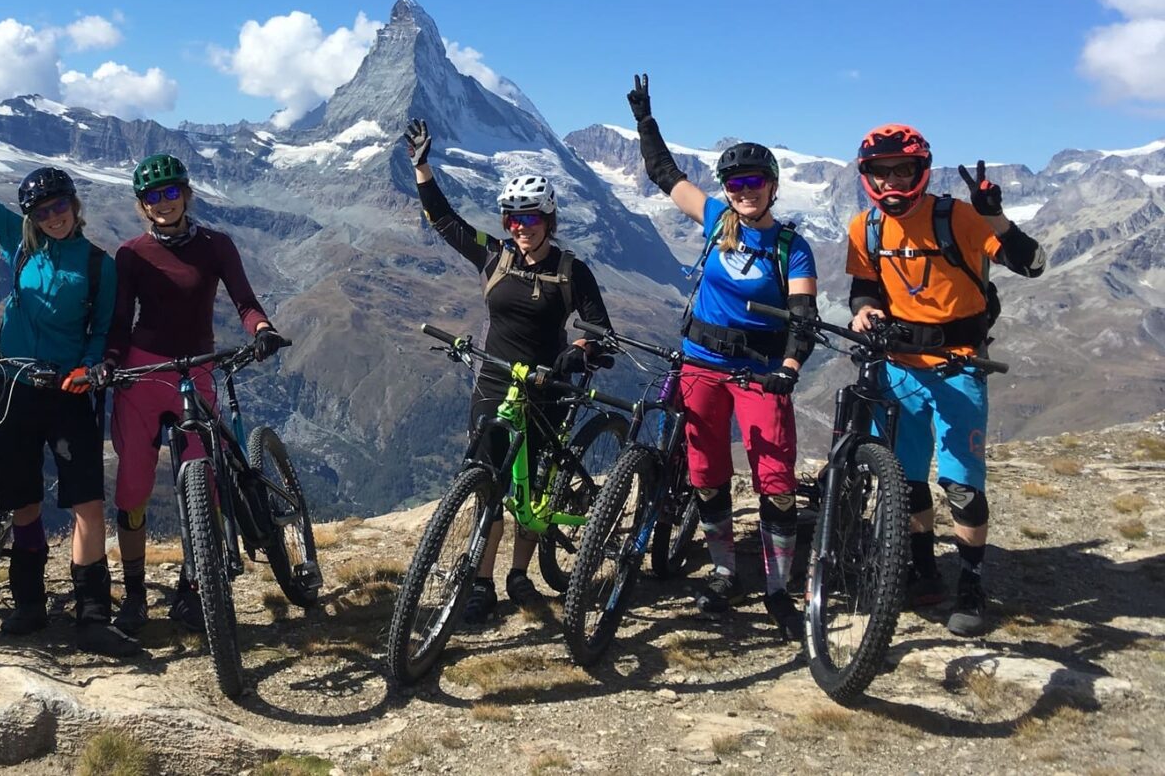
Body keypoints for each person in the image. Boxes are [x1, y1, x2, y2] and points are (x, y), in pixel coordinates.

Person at [0, 79, 139, 657]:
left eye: (60, 207)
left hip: (70, 393)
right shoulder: (19, 243)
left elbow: (103, 330)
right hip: (17, 388)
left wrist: (90, 368)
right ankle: (28, 604)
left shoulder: (98, 265)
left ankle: (93, 615)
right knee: (22, 502)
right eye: (42, 211)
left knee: (87, 505)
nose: (53, 217)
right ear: (31, 216)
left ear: (75, 206)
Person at [627, 75, 817, 642]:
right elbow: (665, 175)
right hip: (699, 363)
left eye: (754, 181)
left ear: (772, 187)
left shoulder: (791, 248)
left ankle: (778, 588)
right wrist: (645, 122)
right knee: (706, 473)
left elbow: (803, 319)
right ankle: (725, 570)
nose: (744, 190)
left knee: (775, 481)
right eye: (736, 182)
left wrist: (789, 369)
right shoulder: (717, 220)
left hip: (759, 371)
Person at [402, 117, 612, 624]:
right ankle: (481, 582)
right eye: (512, 217)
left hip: (547, 387)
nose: (520, 226)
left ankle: (520, 573)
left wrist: (579, 350)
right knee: (488, 483)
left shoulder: (571, 271)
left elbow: (600, 331)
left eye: (530, 217)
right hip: (494, 381)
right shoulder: (494, 255)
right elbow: (445, 221)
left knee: (533, 489)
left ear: (549, 219)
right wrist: (422, 168)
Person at [847, 124, 1047, 637]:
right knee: (907, 479)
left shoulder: (958, 217)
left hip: (960, 368)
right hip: (898, 368)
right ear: (867, 175)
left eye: (903, 169)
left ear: (921, 170)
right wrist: (864, 311)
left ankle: (972, 584)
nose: (892, 181)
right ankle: (924, 571)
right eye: (881, 171)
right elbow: (864, 287)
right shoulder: (866, 228)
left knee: (961, 486)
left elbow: (1033, 265)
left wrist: (994, 217)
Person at [104, 152, 284, 636]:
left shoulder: (216, 245)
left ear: (186, 195)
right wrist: (111, 361)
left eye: (171, 192)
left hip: (198, 366)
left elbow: (245, 301)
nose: (163, 202)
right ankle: (135, 595)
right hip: (145, 370)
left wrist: (262, 329)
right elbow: (120, 321)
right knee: (133, 487)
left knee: (208, 477)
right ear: (142, 204)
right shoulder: (131, 253)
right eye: (153, 196)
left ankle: (194, 585)